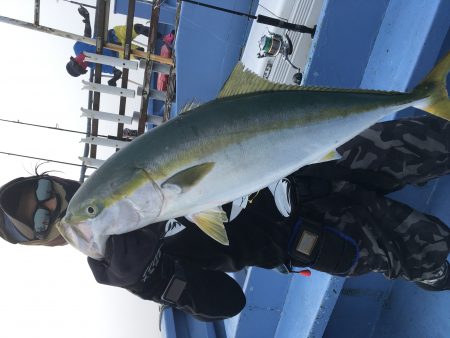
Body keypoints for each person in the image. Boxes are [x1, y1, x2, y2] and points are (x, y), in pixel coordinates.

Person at [1, 115, 450, 321]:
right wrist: (156, 281)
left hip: (310, 158)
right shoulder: (120, 269)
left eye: (41, 193)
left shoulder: (124, 167)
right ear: (43, 243)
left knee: (433, 141)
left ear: (53, 181)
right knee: (435, 258)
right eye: (38, 223)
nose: (51, 208)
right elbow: (227, 303)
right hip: (312, 233)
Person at [66, 5, 158, 86]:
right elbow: (116, 71)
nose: (82, 65)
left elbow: (87, 35)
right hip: (119, 52)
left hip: (114, 34)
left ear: (75, 60)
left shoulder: (77, 47)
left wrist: (87, 18)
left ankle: (163, 37)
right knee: (139, 54)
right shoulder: (95, 66)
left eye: (79, 65)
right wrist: (114, 79)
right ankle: (158, 61)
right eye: (82, 68)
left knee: (138, 28)